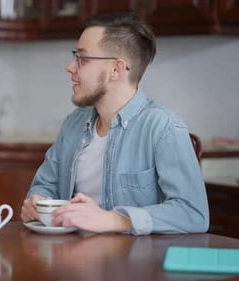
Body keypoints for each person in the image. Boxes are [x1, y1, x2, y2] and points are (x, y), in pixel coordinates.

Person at [20, 12, 209, 235]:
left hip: (136, 265)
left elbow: (193, 213)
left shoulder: (163, 127)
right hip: (69, 258)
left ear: (116, 69)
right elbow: (45, 185)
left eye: (83, 58)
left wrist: (115, 220)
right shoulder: (73, 123)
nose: (70, 67)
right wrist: (37, 203)